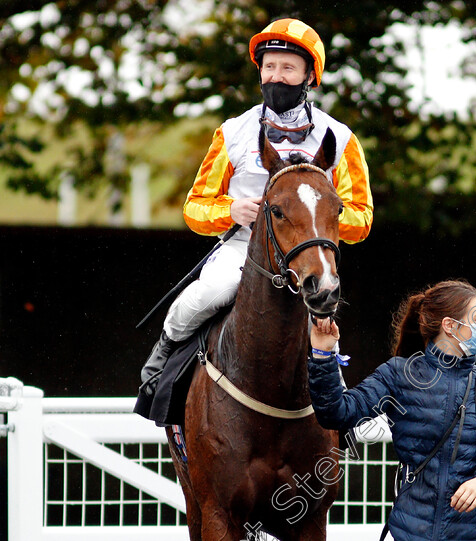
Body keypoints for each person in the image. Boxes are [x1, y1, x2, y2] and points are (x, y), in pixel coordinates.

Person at [139, 18, 373, 392]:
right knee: (213, 291)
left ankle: (338, 402)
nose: (276, 77)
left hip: (309, 249)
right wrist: (230, 211)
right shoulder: (233, 131)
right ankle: (164, 354)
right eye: (269, 67)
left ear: (310, 76)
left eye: (288, 68)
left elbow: (361, 218)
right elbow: (194, 207)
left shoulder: (341, 139)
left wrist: (313, 221)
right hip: (243, 247)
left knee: (324, 304)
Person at [308, 280, 476, 541]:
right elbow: (336, 414)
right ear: (450, 326)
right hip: (410, 533)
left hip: (475, 534)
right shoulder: (398, 373)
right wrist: (322, 355)